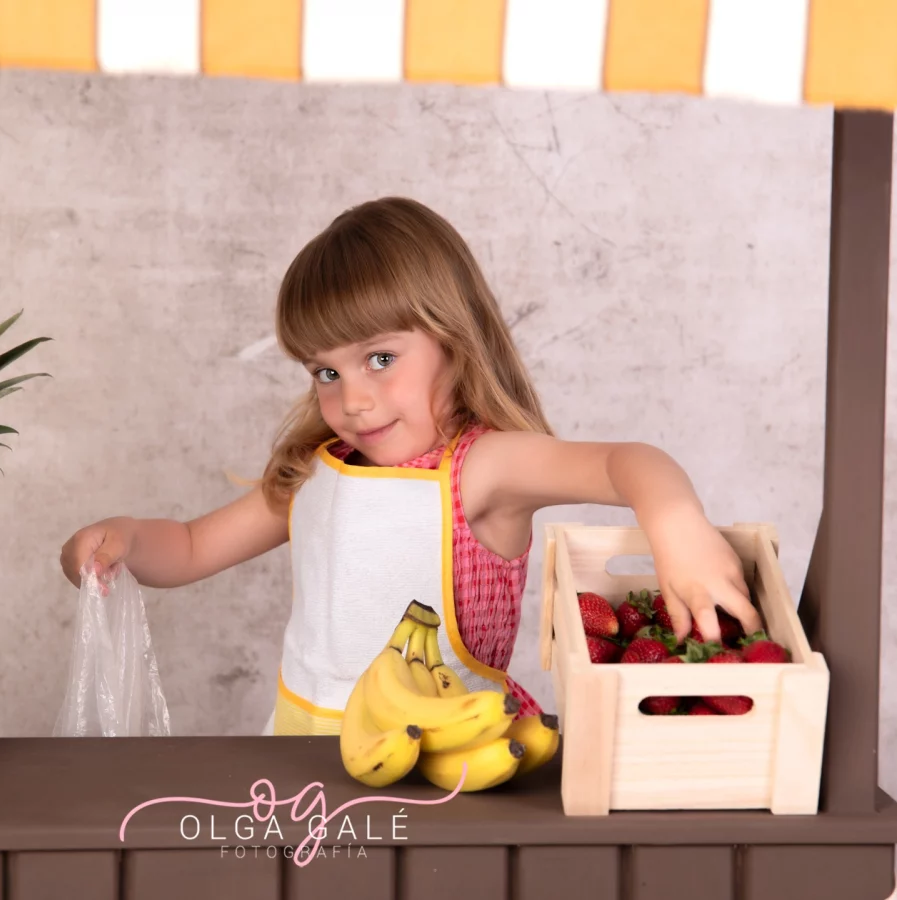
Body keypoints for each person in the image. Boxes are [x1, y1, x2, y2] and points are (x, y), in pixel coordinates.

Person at [59, 196, 762, 736]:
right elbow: (190, 547)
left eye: (380, 358)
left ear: (455, 339)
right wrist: (123, 541)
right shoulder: (317, 471)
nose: (352, 400)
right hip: (300, 760)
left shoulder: (483, 468)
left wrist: (677, 527)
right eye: (326, 372)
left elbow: (626, 463)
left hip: (444, 779)